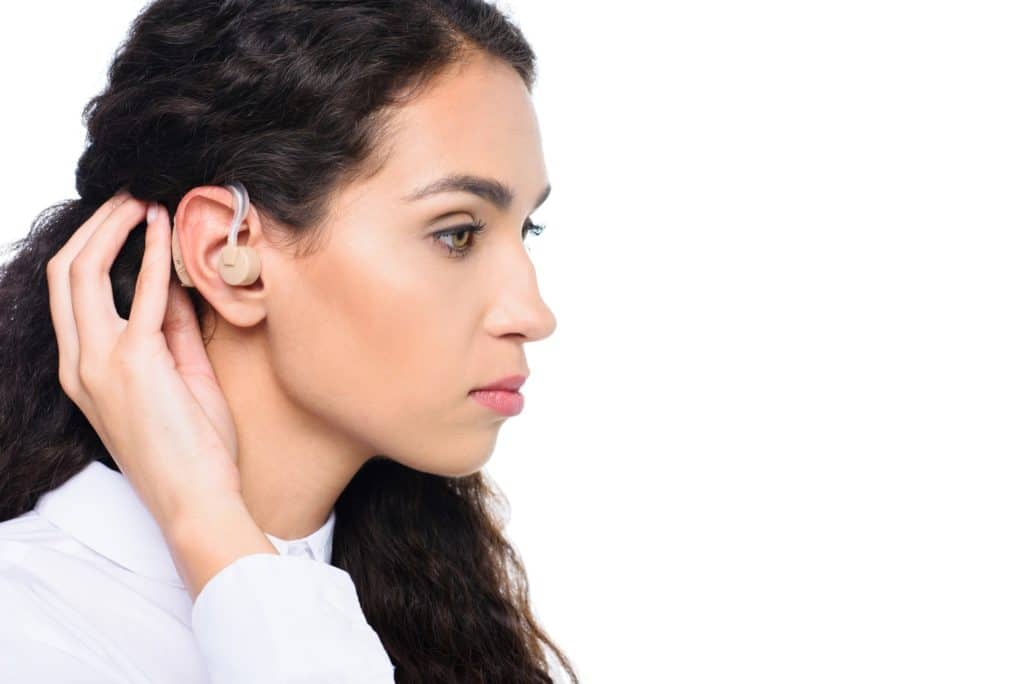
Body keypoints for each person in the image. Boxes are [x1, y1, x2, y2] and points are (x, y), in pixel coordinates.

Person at [0, 1, 579, 682]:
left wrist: (219, 536)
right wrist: (210, 525)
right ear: (229, 251)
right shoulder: (26, 629)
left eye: (526, 231)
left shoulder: (427, 612)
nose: (534, 314)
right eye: (456, 233)